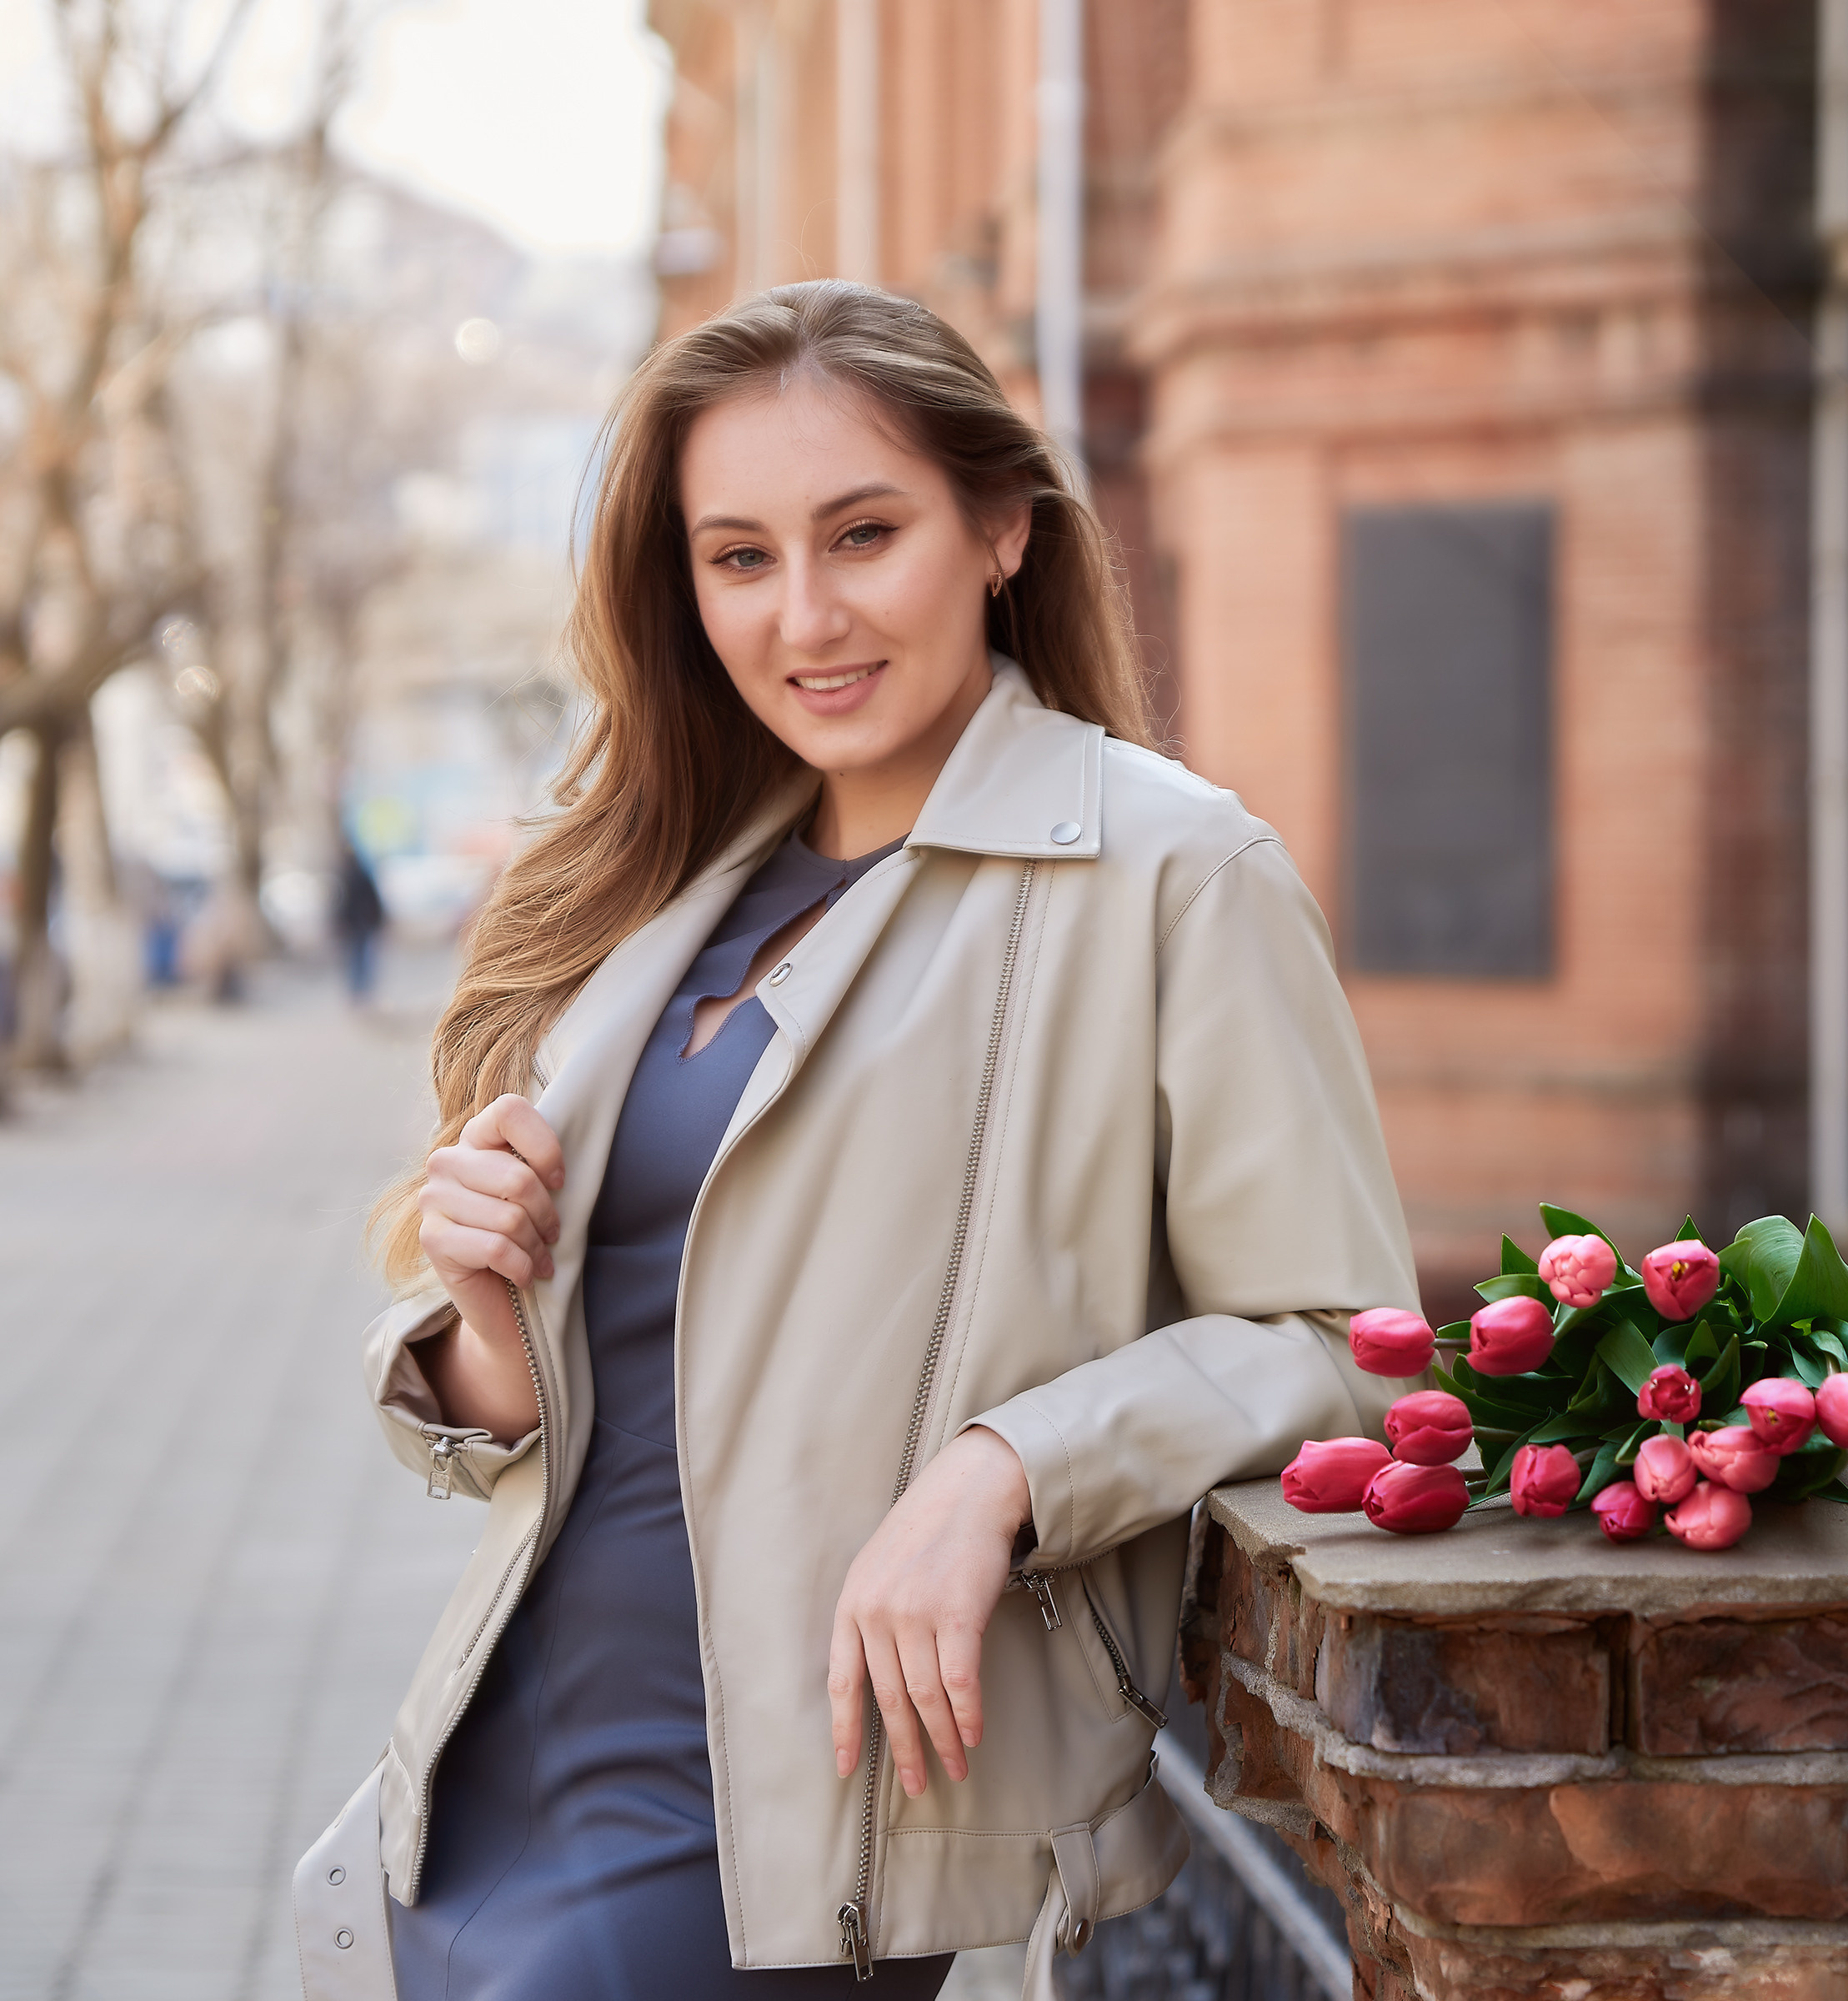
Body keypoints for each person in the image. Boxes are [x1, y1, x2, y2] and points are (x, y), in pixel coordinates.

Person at [293, 282, 1420, 2001]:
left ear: (1000, 533)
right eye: (739, 557)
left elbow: (1352, 1351)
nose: (804, 615)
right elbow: (557, 1416)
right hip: (496, 1758)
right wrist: (487, 1302)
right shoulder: (669, 887)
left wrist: (1007, 1467)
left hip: (796, 1807)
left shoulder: (1172, 875)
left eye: (862, 534)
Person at [334, 840, 388, 1005]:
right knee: (359, 957)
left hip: (359, 923)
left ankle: (360, 991)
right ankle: (360, 991)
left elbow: (370, 900)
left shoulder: (348, 877)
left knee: (358, 958)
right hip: (359, 923)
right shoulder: (352, 876)